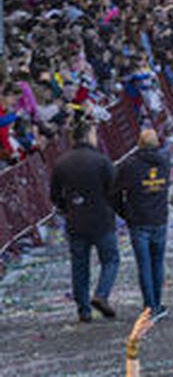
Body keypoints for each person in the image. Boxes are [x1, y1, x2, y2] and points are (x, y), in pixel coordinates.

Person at [50, 118, 120, 322]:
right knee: (110, 259)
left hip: (75, 220)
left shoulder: (62, 162)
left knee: (79, 265)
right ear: (89, 136)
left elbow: (54, 195)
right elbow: (114, 189)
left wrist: (68, 208)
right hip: (101, 219)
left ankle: (83, 309)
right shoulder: (101, 160)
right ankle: (101, 293)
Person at [114, 128, 171, 319]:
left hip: (138, 219)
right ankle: (157, 302)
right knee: (157, 263)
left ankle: (150, 305)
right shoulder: (165, 162)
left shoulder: (128, 165)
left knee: (144, 264)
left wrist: (124, 212)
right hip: (159, 217)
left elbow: (113, 191)